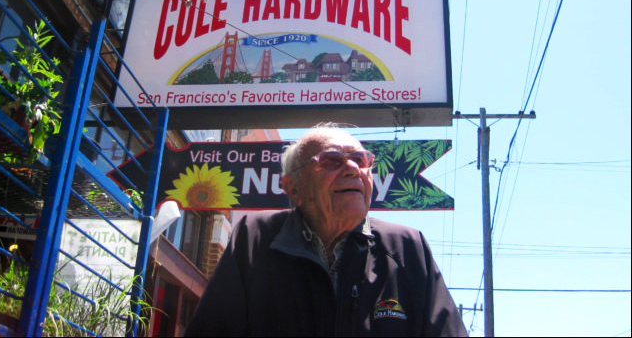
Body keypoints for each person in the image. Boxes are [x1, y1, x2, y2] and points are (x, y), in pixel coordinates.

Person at [184, 124, 467, 337]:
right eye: (332, 161)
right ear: (293, 188)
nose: (353, 169)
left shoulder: (408, 246)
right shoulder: (254, 238)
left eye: (363, 160)